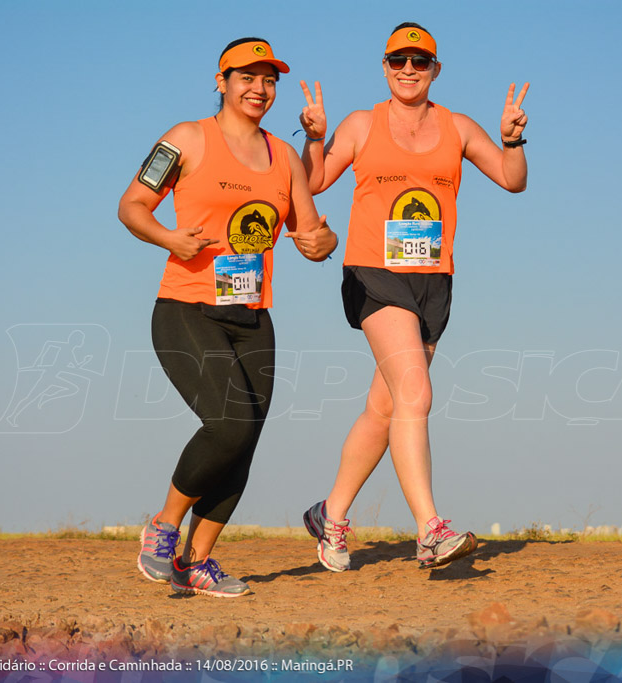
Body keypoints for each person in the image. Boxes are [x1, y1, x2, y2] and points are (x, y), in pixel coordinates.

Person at [297, 22, 529, 571]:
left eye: (419, 62)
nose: (408, 70)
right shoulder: (362, 123)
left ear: (435, 70)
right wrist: (313, 138)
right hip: (373, 273)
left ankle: (330, 515)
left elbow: (512, 179)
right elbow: (312, 182)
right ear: (384, 66)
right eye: (397, 60)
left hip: (432, 280)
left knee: (386, 408)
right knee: (418, 394)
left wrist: (513, 139)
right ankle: (430, 528)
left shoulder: (456, 126)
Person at [118, 37, 337, 597]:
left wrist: (321, 243)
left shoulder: (284, 158)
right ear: (222, 81)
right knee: (230, 424)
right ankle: (164, 527)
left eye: (269, 80)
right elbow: (131, 206)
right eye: (247, 77)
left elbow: (311, 229)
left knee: (244, 441)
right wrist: (172, 238)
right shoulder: (186, 138)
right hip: (186, 307)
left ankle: (197, 564)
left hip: (253, 318)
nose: (259, 89)